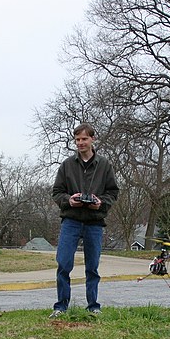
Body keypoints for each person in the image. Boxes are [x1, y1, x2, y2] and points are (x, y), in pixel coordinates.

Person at [50, 123, 119, 317]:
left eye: (84, 139)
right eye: (77, 139)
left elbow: (113, 192)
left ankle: (93, 306)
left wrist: (101, 203)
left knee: (92, 267)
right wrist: (69, 201)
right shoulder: (67, 165)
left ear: (92, 140)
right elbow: (57, 192)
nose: (80, 143)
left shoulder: (104, 165)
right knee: (63, 264)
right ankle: (61, 307)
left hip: (94, 222)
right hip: (71, 221)